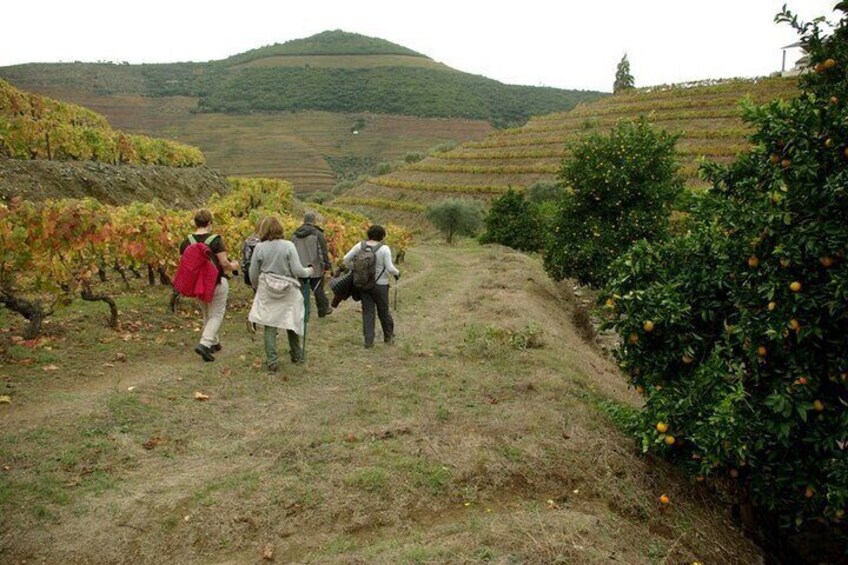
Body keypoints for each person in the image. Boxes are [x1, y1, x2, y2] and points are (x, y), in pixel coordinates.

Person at [248, 216, 314, 373]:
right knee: (291, 320)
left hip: (267, 289)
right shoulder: (288, 246)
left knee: (270, 324)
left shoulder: (259, 248)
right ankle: (296, 354)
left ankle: (272, 361)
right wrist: (309, 271)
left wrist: (258, 288)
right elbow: (298, 271)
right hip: (288, 290)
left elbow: (253, 273)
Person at [179, 209, 239, 362]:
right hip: (216, 281)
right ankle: (205, 344)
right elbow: (224, 263)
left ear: (195, 223)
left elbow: (184, 263)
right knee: (217, 314)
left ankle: (214, 343)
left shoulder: (186, 241)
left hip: (197, 284)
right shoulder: (215, 240)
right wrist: (234, 265)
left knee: (207, 313)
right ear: (210, 223)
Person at [342, 225, 400, 348]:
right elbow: (390, 268)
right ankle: (388, 337)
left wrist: (356, 269)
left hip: (364, 285)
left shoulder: (360, 246)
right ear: (382, 236)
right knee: (383, 311)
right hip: (380, 285)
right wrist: (397, 273)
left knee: (368, 313)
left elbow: (345, 259)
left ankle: (368, 342)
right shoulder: (384, 249)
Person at [292, 211, 333, 318]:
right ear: (314, 220)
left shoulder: (295, 234)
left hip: (299, 267)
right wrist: (327, 267)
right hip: (315, 267)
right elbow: (322, 252)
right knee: (318, 290)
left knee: (300, 292)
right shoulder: (318, 234)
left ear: (304, 220)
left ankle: (301, 313)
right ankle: (323, 310)